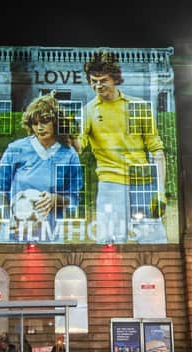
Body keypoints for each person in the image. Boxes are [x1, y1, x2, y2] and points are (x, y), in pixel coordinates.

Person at [77, 51, 167, 244]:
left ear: (115, 79)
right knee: (109, 242)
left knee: (153, 241)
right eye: (93, 81)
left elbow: (157, 151)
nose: (97, 86)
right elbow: (78, 145)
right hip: (110, 184)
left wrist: (160, 193)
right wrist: (65, 136)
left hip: (142, 182)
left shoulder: (139, 107)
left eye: (103, 80)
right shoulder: (88, 111)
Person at [0, 92, 84, 243]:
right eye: (35, 123)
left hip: (50, 237)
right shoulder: (15, 150)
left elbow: (74, 199)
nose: (39, 127)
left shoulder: (69, 155)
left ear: (56, 122)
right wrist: (9, 220)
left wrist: (56, 199)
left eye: (44, 121)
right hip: (15, 236)